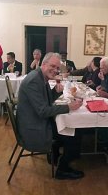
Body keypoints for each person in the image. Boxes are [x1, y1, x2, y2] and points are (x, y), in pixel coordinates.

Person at [17, 52, 84, 180]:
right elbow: (43, 111)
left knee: (67, 126)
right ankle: (63, 169)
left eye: (57, 68)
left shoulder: (41, 76)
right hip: (33, 129)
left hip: (35, 121)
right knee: (74, 132)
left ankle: (54, 155)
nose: (55, 70)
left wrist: (55, 92)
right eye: (52, 66)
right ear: (43, 64)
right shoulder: (34, 81)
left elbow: (44, 102)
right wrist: (69, 107)